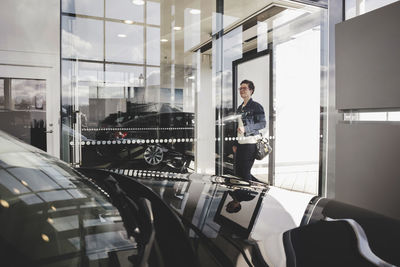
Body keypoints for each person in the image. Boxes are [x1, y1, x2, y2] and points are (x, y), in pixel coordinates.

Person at [232, 80, 266, 181]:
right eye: (240, 88)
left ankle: (248, 195)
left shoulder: (256, 106)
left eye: (245, 88)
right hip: (240, 144)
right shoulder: (239, 108)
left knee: (245, 173)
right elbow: (237, 126)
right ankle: (241, 195)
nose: (242, 90)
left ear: (251, 90)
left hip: (250, 144)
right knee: (238, 172)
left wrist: (246, 128)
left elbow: (262, 124)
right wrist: (235, 143)